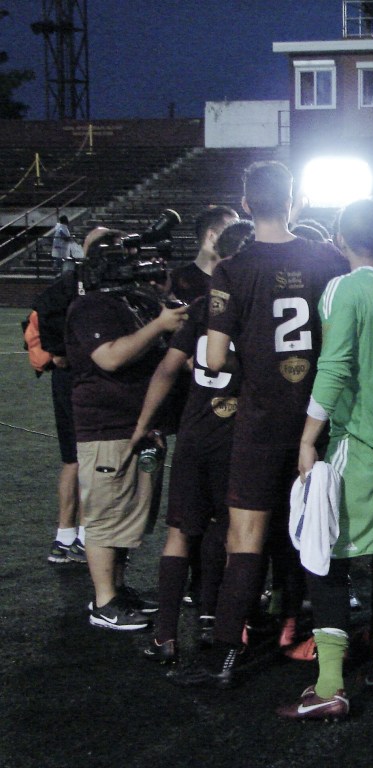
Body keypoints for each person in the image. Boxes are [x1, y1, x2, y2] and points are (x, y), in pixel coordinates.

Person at [172, 161, 347, 687]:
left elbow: (215, 358)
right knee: (321, 531)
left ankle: (226, 655)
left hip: (261, 419)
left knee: (246, 537)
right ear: (293, 201)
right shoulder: (327, 259)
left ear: (247, 206)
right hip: (320, 418)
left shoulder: (232, 269)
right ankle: (320, 643)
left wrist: (253, 354)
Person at [277, 199, 373, 721]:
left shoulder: (344, 288)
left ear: (340, 240)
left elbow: (335, 366)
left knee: (325, 554)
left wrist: (308, 438)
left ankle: (330, 685)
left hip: (362, 443)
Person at [132, 221, 254, 663]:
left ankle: (164, 634)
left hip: (196, 431)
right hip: (238, 434)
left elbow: (168, 369)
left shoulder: (204, 306)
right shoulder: (258, 304)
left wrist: (143, 424)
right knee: (230, 530)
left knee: (180, 532)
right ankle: (215, 619)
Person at [65, 228, 189, 630]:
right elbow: (110, 358)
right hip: (107, 427)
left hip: (135, 426)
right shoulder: (91, 306)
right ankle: (104, 602)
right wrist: (159, 325)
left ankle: (117, 590)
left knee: (126, 514)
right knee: (105, 517)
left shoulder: (126, 301)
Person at [33, 269, 86, 564]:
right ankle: (85, 538)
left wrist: (56, 350)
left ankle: (64, 537)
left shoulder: (70, 280)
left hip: (65, 377)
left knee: (72, 459)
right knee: (90, 457)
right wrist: (59, 350)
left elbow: (43, 306)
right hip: (83, 377)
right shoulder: (86, 280)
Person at [169, 206, 239, 303]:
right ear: (212, 236)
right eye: (233, 232)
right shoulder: (175, 281)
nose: (240, 239)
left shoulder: (241, 281)